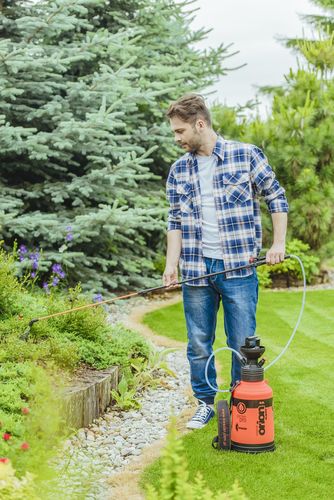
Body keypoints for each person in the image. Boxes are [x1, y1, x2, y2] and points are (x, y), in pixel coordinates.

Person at [163, 94, 288, 430]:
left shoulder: (244, 155)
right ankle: (204, 403)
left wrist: (278, 243)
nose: (176, 138)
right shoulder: (178, 171)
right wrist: (170, 265)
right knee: (199, 342)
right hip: (195, 270)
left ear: (200, 124)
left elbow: (276, 196)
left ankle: (239, 405)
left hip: (238, 267)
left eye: (180, 131)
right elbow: (174, 221)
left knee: (242, 343)